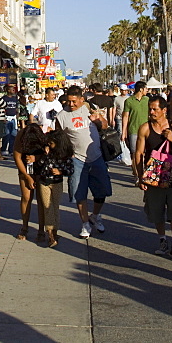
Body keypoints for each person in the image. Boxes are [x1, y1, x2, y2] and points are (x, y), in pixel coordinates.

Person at [135, 95, 172, 260]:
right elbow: (138, 153)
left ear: (164, 110)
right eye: (150, 109)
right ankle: (162, 240)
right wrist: (140, 177)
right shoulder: (145, 128)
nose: (151, 112)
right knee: (156, 210)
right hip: (153, 176)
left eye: (155, 109)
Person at [57, 85, 112, 238]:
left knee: (102, 191)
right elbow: (59, 139)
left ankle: (95, 215)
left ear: (81, 99)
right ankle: (85, 224)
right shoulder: (61, 116)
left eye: (74, 101)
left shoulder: (90, 109)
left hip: (96, 157)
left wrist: (98, 121)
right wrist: (67, 155)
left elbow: (105, 125)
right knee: (79, 193)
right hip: (78, 160)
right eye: (68, 101)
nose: (71, 104)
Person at [12, 118, 46, 241]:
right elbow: (17, 156)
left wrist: (36, 157)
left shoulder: (41, 135)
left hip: (40, 166)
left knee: (41, 199)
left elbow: (48, 153)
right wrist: (26, 176)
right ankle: (24, 227)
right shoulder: (21, 135)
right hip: (25, 166)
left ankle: (41, 229)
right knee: (26, 197)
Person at [122, 81, 151, 158]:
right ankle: (135, 170)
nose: (147, 90)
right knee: (134, 153)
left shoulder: (147, 100)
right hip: (133, 130)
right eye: (146, 88)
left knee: (145, 152)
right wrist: (124, 132)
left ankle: (143, 169)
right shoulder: (129, 101)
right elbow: (125, 117)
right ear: (141, 89)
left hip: (146, 130)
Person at [2, 84, 20, 157]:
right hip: (7, 118)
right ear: (8, 90)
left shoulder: (15, 99)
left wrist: (17, 115)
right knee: (6, 134)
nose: (13, 91)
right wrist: (3, 117)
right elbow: (2, 108)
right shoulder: (4, 98)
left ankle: (11, 150)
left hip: (13, 118)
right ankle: (3, 149)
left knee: (13, 134)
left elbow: (17, 108)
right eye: (12, 89)